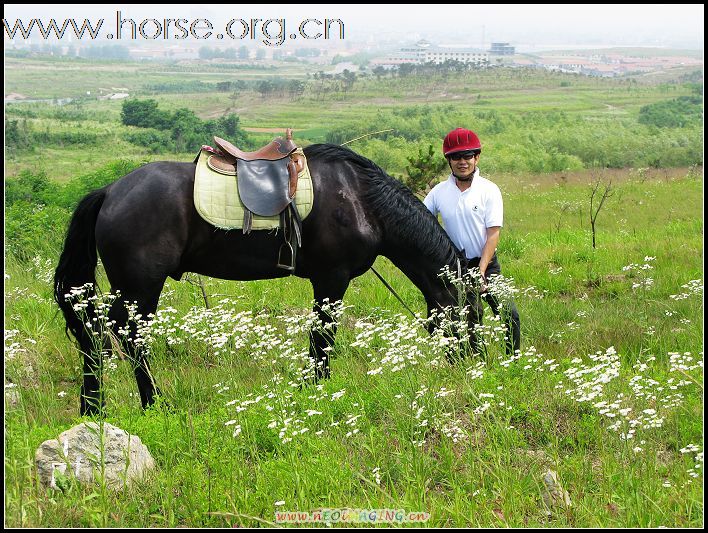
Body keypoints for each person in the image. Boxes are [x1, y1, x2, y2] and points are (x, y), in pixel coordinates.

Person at [423, 127, 520, 355]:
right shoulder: (438, 193)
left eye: (467, 156)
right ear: (449, 160)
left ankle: (513, 362)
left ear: (476, 157)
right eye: (456, 157)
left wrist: (482, 272)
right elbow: (420, 221)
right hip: (456, 267)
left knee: (509, 314)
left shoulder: (489, 190)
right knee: (471, 322)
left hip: (486, 263)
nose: (462, 161)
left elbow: (493, 234)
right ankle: (478, 365)